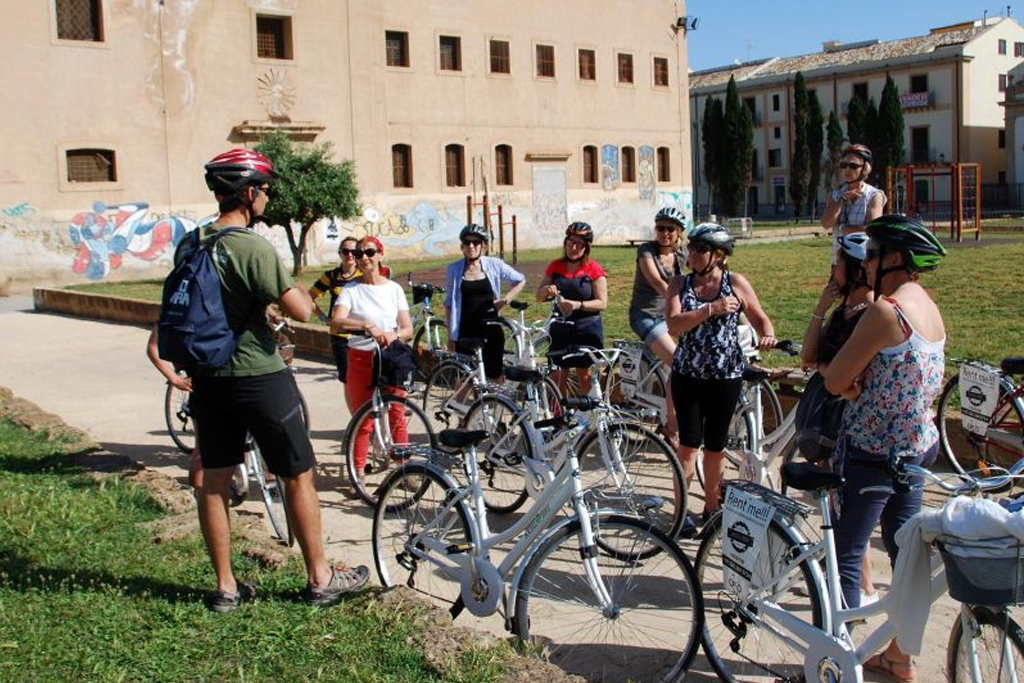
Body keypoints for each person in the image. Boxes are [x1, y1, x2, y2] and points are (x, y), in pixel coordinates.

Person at [178, 149, 368, 612]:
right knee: (297, 473)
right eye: (263, 189)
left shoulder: (192, 242)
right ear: (247, 193)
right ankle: (320, 577)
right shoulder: (252, 247)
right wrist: (290, 288)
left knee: (215, 480)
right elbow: (303, 311)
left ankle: (225, 587)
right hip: (259, 375)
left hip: (208, 377)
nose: (267, 196)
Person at [823, 215, 947, 682]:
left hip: (871, 450)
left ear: (896, 259)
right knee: (906, 556)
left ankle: (838, 660)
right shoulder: (930, 308)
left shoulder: (884, 312)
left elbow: (835, 378)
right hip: (916, 449)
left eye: (872, 255)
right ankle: (899, 655)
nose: (866, 263)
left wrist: (856, 391)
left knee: (848, 554)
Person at [665, 223, 776, 521]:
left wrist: (767, 334)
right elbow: (673, 325)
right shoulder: (679, 284)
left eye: (701, 248)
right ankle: (680, 513)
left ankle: (712, 508)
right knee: (688, 447)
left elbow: (760, 317)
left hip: (726, 377)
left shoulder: (735, 282)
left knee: (716, 447)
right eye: (692, 247)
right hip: (688, 375)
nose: (693, 253)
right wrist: (709, 310)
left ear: (719, 255)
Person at [799, 231, 878, 606]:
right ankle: (858, 584)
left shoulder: (870, 313)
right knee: (837, 504)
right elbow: (808, 354)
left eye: (839, 262)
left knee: (846, 509)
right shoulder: (843, 310)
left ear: (857, 268)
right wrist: (821, 305)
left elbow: (849, 376)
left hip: (849, 419)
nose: (833, 269)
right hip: (830, 415)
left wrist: (827, 367)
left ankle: (857, 590)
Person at [330, 236, 413, 482]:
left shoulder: (394, 289)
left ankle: (404, 467)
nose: (364, 257)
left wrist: (392, 334)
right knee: (363, 417)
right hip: (361, 356)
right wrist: (366, 325)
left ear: (379, 254)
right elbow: (337, 321)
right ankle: (357, 473)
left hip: (390, 356)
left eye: (369, 252)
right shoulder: (351, 290)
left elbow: (407, 328)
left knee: (397, 411)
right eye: (358, 254)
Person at [628, 207, 687, 443]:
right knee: (680, 363)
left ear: (679, 232)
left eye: (670, 229)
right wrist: (684, 309)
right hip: (646, 316)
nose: (664, 233)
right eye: (660, 228)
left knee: (691, 361)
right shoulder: (646, 251)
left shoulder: (682, 254)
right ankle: (671, 426)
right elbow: (658, 283)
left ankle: (674, 413)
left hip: (671, 316)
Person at [444, 224, 526, 379]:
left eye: (475, 242)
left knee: (494, 376)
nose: (471, 246)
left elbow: (520, 280)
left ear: (483, 246)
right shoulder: (454, 269)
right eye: (467, 242)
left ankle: (494, 404)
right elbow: (449, 304)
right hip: (465, 330)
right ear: (462, 246)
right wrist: (450, 337)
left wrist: (505, 300)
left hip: (491, 328)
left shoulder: (494, 264)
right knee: (465, 378)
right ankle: (456, 404)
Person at [535, 222, 608, 395]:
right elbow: (538, 296)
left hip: (586, 328)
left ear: (587, 246)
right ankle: (559, 418)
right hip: (560, 328)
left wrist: (578, 305)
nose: (573, 247)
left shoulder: (593, 269)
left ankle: (587, 417)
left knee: (584, 376)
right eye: (569, 242)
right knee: (556, 377)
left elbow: (602, 303)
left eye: (578, 244)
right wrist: (546, 291)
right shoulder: (555, 266)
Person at [146, 326, 202, 490]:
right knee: (204, 448)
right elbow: (153, 348)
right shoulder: (181, 307)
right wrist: (175, 379)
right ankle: (198, 497)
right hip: (202, 380)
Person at [821, 144, 886, 267]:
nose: (847, 170)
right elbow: (826, 223)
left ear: (865, 169)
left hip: (864, 264)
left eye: (853, 166)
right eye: (844, 165)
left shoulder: (874, 195)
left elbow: (874, 229)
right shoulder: (835, 195)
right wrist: (843, 198)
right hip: (838, 264)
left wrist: (842, 229)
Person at [309, 236, 361, 383]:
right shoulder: (330, 276)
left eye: (353, 251)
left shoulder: (364, 276)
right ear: (340, 253)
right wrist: (323, 318)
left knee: (365, 378)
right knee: (347, 379)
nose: (350, 254)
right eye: (345, 251)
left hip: (362, 334)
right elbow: (309, 297)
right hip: (340, 336)